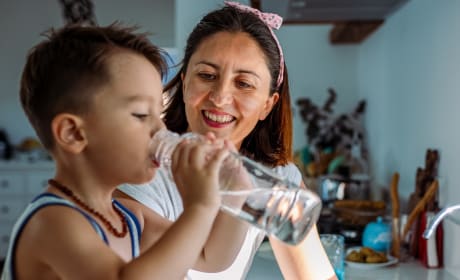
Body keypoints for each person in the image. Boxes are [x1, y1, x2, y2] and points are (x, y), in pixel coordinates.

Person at [1, 23, 245, 280]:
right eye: (140, 114)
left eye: (157, 113)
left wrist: (236, 198)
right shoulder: (52, 222)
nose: (160, 129)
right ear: (73, 133)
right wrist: (200, 206)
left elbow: (211, 256)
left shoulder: (128, 217)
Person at [117, 2, 337, 279]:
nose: (220, 97)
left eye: (243, 83)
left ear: (268, 105)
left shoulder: (276, 179)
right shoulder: (140, 176)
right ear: (184, 84)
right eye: (207, 76)